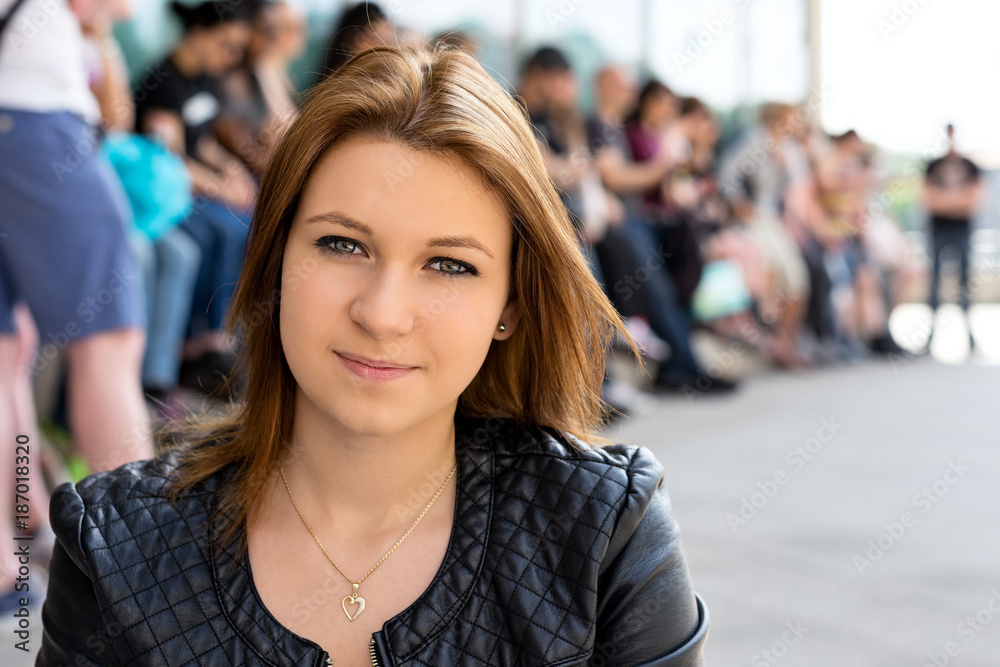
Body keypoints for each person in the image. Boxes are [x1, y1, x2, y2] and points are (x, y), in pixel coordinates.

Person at [37, 43, 709, 666]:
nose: (382, 313)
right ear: (274, 259)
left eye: (448, 264)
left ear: (511, 304)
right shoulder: (115, 546)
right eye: (343, 245)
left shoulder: (605, 534)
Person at [0, 0, 152, 474]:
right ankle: (137, 543)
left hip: (20, 122)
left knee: (8, 349)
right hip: (34, 122)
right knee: (108, 339)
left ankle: (18, 534)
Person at [133, 0, 257, 396]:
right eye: (227, 45)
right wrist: (217, 185)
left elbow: (201, 143)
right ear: (200, 34)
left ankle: (215, 337)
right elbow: (171, 158)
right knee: (215, 229)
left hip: (191, 185)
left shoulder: (204, 79)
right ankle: (192, 345)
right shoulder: (163, 79)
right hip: (160, 193)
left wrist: (232, 172)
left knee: (243, 222)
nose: (232, 57)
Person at [922, 123, 983, 350]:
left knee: (965, 283)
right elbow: (929, 200)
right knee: (934, 281)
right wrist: (958, 198)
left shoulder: (970, 166)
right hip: (938, 231)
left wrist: (945, 199)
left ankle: (970, 335)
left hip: (962, 231)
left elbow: (975, 201)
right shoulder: (932, 166)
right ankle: (930, 336)